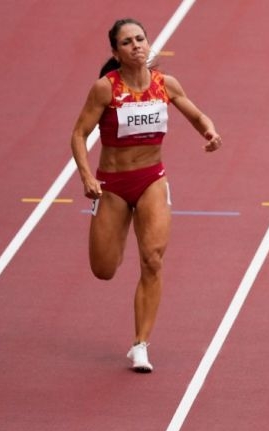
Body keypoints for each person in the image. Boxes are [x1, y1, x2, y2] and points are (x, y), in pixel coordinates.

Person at [70, 18, 222, 373]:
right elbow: (79, 134)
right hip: (112, 184)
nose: (137, 45)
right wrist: (86, 176)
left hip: (152, 179)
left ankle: (140, 344)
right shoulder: (105, 89)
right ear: (116, 52)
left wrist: (209, 131)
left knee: (153, 259)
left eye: (140, 39)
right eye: (127, 42)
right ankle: (110, 224)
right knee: (104, 269)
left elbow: (194, 112)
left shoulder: (165, 84)